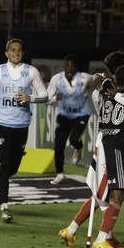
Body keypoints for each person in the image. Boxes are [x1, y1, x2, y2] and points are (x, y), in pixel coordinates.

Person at [59, 50, 124, 248]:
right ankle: (102, 237)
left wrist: (110, 89)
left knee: (119, 189)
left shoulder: (116, 89)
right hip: (118, 144)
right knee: (113, 191)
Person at [0, 38, 48, 223]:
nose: (16, 53)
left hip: (21, 125)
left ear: (23, 53)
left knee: (13, 167)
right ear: (6, 53)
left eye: (19, 50)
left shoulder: (31, 72)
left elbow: (45, 96)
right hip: (1, 123)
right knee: (5, 164)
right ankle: (4, 208)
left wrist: (29, 98)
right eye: (13, 50)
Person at [46, 54, 93, 185]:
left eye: (72, 66)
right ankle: (59, 174)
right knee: (58, 146)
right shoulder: (57, 79)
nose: (69, 68)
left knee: (73, 139)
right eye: (67, 65)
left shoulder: (85, 78)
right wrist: (56, 98)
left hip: (81, 115)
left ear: (77, 67)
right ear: (63, 66)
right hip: (64, 116)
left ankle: (78, 147)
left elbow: (98, 81)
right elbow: (47, 99)